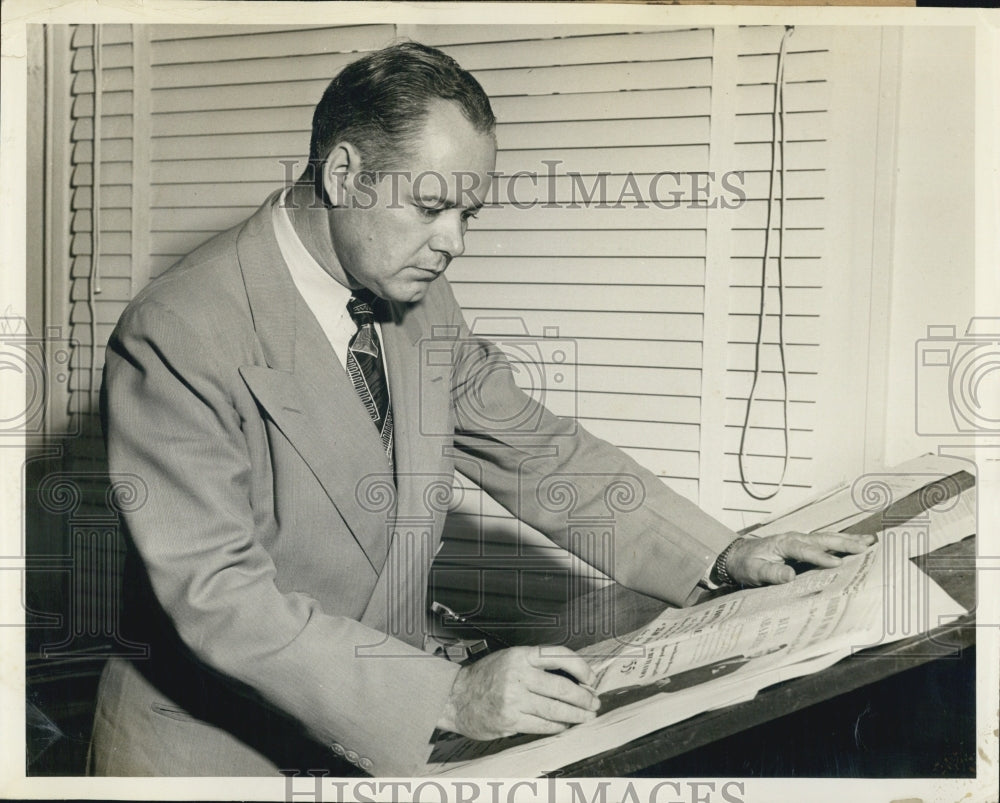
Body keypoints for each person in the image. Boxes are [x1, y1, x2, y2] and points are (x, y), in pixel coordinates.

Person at [90, 41, 874, 777]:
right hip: (221, 754)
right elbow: (221, 597)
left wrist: (719, 553)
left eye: (469, 214)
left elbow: (535, 449)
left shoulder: (412, 297)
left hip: (372, 739)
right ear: (342, 173)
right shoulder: (178, 331)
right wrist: (448, 695)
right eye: (431, 207)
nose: (454, 242)